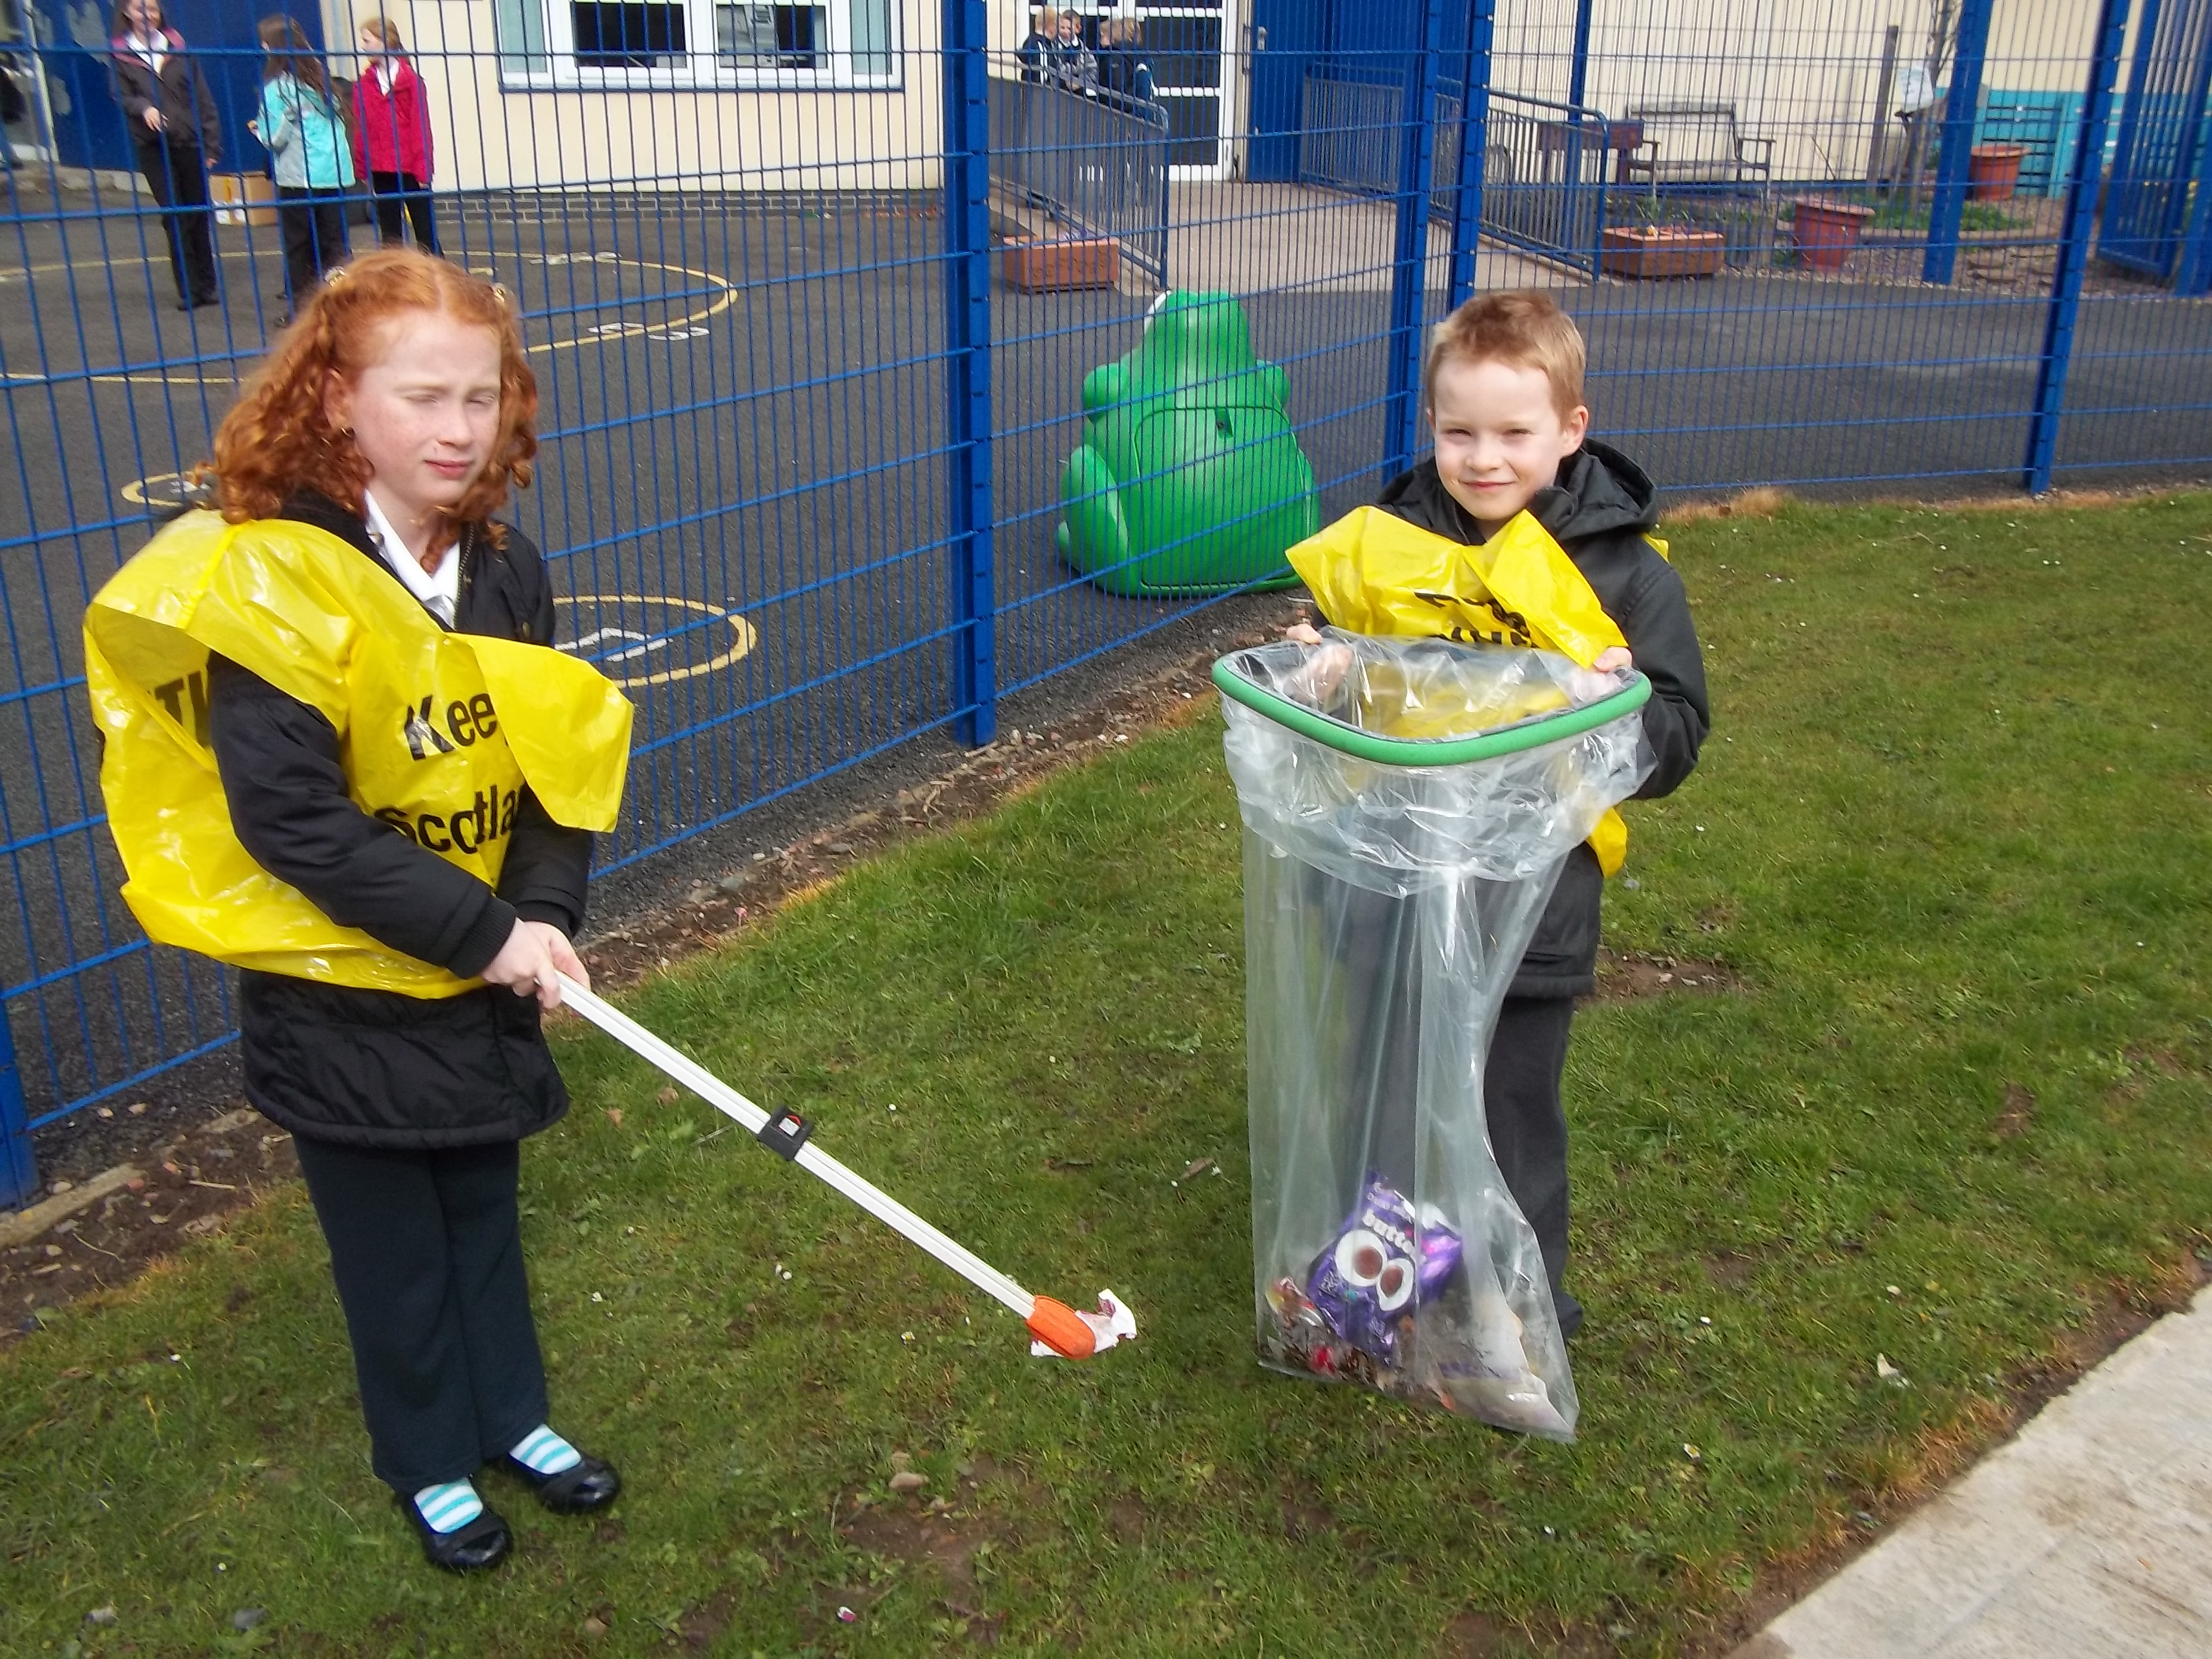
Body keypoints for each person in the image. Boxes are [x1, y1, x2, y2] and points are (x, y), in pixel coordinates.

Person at [85, 250, 632, 1573]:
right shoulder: (268, 578)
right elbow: (293, 819)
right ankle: (430, 1454)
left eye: (484, 396)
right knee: (391, 1243)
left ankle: (514, 1414)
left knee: (483, 1209)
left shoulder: (505, 567)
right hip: (340, 994)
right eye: (422, 396)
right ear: (334, 400)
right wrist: (484, 930)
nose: (459, 430)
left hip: (480, 977)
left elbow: (548, 763)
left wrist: (544, 911)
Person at [1284, 291, 1710, 1339]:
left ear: (1571, 429)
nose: (1483, 458)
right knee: (1384, 1099)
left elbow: (1679, 732)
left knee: (1511, 1112)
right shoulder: (1388, 549)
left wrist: (1617, 714)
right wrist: (1322, 671)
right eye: (1458, 430)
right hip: (1391, 887)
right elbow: (1340, 660)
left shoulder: (1621, 573)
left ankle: (1520, 1312)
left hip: (1535, 907)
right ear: (1430, 421)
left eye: (1515, 433)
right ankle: (1379, 1301)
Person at [108, 0, 221, 311]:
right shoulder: (120, 53)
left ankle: (208, 285)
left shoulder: (178, 46)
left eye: (153, 10)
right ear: (127, 14)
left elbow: (203, 98)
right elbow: (121, 94)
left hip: (189, 142)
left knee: (198, 213)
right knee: (175, 214)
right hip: (154, 146)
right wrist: (144, 108)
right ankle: (189, 289)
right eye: (139, 9)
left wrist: (212, 145)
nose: (147, 15)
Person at [249, 16, 353, 324]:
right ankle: (341, 305)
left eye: (266, 43)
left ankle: (303, 312)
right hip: (333, 173)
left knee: (299, 245)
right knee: (333, 244)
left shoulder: (278, 90)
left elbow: (276, 138)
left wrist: (258, 130)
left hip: (299, 177)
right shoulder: (323, 82)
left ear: (274, 47)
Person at [353, 15, 439, 255]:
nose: (363, 46)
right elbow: (360, 127)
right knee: (390, 237)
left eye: (367, 41)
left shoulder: (411, 81)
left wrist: (423, 167)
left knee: (425, 232)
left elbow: (420, 127)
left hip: (410, 167)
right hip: (381, 168)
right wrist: (362, 166)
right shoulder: (364, 84)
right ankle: (395, 284)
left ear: (385, 41)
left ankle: (437, 279)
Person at [1094, 15, 1156, 114]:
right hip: (1141, 112)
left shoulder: (1116, 57)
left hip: (1122, 114)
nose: (1100, 40)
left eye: (1102, 35)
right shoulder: (1141, 57)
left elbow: (1116, 88)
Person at [1048, 8, 1096, 92]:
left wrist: (1081, 82)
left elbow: (1092, 69)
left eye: (1069, 28)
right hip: (1059, 90)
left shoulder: (1083, 48)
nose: (1065, 31)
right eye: (1062, 28)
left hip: (1080, 91)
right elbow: (1055, 67)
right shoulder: (1053, 46)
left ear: (1078, 29)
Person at [1017, 7, 1058, 84]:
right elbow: (1042, 76)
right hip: (1040, 93)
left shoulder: (1030, 41)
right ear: (1052, 28)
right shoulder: (1041, 46)